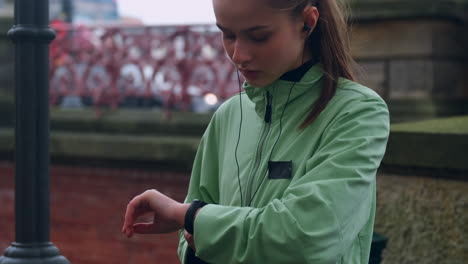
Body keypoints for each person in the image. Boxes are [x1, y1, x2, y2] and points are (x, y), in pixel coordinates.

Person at [122, 0, 390, 263]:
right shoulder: (228, 115)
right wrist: (195, 228)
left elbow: (304, 238)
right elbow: (190, 241)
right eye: (227, 35)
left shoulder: (357, 112)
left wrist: (190, 217)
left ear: (308, 22)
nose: (238, 55)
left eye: (258, 36)